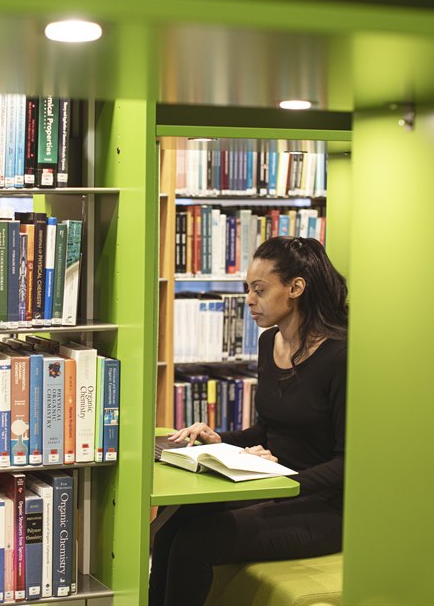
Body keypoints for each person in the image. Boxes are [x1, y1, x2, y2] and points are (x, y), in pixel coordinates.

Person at [149, 235, 349, 606]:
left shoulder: (340, 356)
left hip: (324, 507)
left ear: (295, 288)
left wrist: (283, 480)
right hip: (274, 487)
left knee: (195, 543)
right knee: (169, 528)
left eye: (259, 289)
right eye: (247, 289)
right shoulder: (269, 342)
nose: (249, 300)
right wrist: (218, 439)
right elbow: (268, 430)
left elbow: (348, 463)